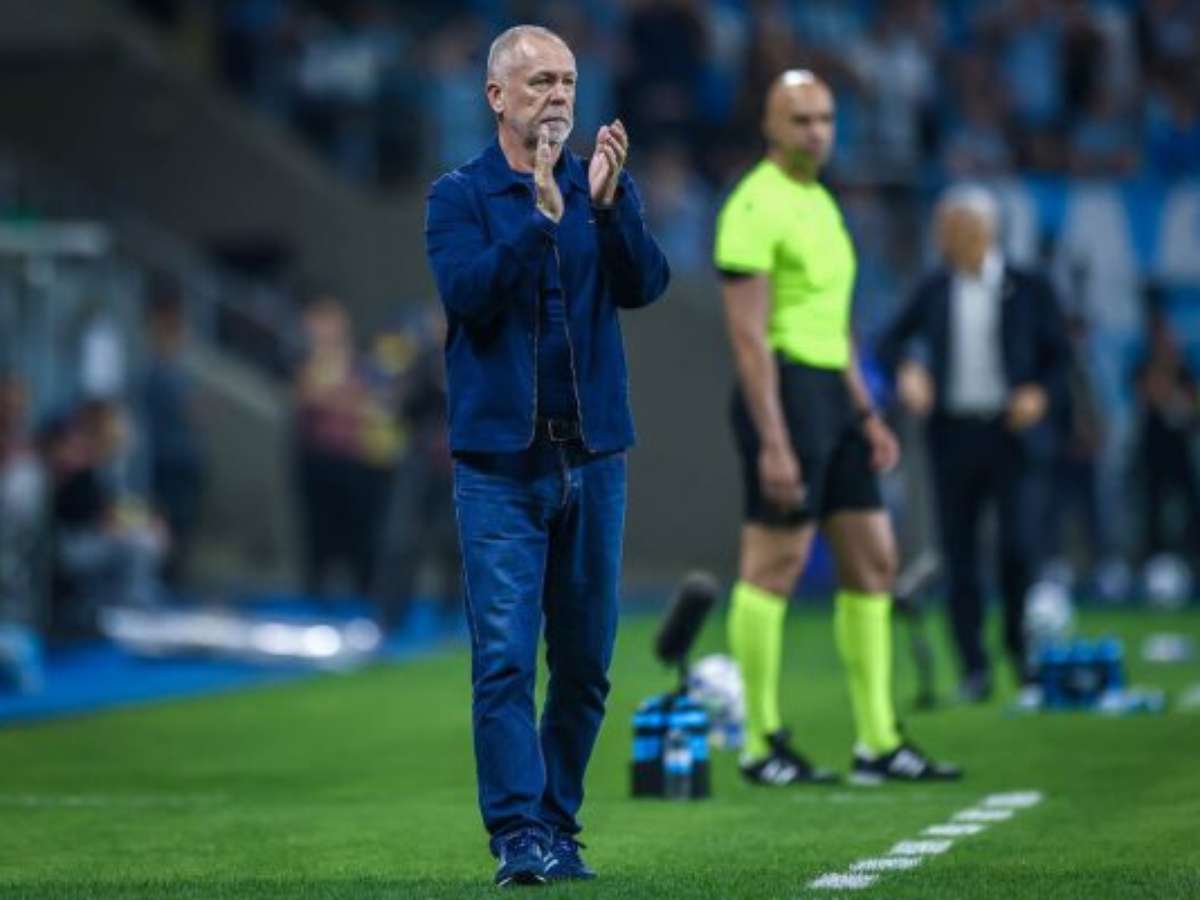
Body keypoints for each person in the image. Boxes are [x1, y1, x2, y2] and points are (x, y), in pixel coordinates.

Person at [424, 24, 669, 886]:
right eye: (540, 82)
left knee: (588, 666)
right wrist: (538, 219)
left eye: (566, 80)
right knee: (502, 662)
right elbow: (468, 295)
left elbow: (646, 284)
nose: (559, 95)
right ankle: (518, 834)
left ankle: (559, 824)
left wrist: (609, 206)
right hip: (500, 467)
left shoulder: (597, 183)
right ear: (497, 96)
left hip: (593, 461)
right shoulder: (458, 196)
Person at [714, 69, 959, 788]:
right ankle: (759, 743)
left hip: (833, 393)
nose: (816, 132)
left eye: (824, 119)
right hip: (785, 390)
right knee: (775, 564)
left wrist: (865, 411)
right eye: (801, 120)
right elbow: (748, 338)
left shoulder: (822, 202)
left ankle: (877, 741)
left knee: (875, 560)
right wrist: (774, 440)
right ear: (770, 125)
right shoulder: (753, 204)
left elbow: (839, 323)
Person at [877, 185, 1069, 701]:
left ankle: (1021, 653)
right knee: (958, 552)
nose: (944, 238)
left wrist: (1039, 394)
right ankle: (973, 666)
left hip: (1012, 435)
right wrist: (908, 370)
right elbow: (888, 340)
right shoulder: (933, 288)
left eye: (954, 227)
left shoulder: (1028, 287)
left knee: (1018, 547)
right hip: (953, 434)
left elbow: (1060, 357)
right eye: (942, 228)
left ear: (984, 230)